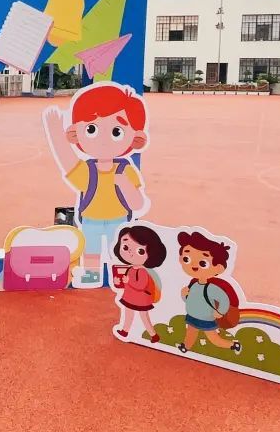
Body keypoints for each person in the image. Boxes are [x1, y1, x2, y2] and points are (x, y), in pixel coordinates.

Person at [44, 83, 150, 288]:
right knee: (91, 251)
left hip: (119, 220)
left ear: (135, 138)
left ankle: (121, 279)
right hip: (91, 220)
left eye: (117, 132)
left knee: (120, 251)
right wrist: (55, 133)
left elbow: (138, 204)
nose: (103, 140)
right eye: (91, 129)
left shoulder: (125, 170)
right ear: (75, 133)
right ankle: (92, 276)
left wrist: (125, 184)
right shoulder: (88, 170)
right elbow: (67, 162)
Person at [176, 231, 242, 355]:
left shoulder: (212, 288)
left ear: (219, 268)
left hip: (206, 318)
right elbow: (191, 300)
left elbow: (224, 300)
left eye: (203, 263)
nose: (194, 265)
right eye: (186, 259)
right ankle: (186, 346)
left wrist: (220, 312)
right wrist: (184, 295)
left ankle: (233, 344)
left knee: (213, 339)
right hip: (192, 315)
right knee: (190, 333)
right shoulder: (194, 284)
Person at [111, 224, 166, 342]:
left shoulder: (142, 271)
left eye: (140, 251)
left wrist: (128, 281)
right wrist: (119, 282)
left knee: (144, 316)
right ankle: (125, 331)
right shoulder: (131, 269)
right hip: (129, 297)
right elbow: (126, 283)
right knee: (128, 314)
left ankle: (153, 335)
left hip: (141, 299)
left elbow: (140, 285)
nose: (130, 253)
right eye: (125, 247)